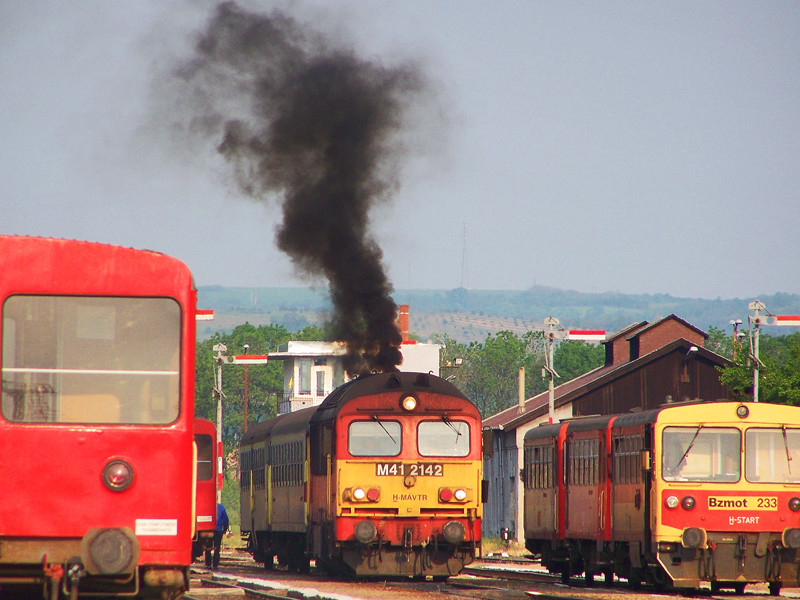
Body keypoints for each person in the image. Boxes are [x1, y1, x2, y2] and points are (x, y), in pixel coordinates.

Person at [206, 502, 229, 570]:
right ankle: (215, 564)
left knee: (208, 547)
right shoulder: (221, 507)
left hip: (209, 530)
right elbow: (225, 519)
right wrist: (225, 529)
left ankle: (208, 564)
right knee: (217, 547)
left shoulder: (207, 506)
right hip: (218, 530)